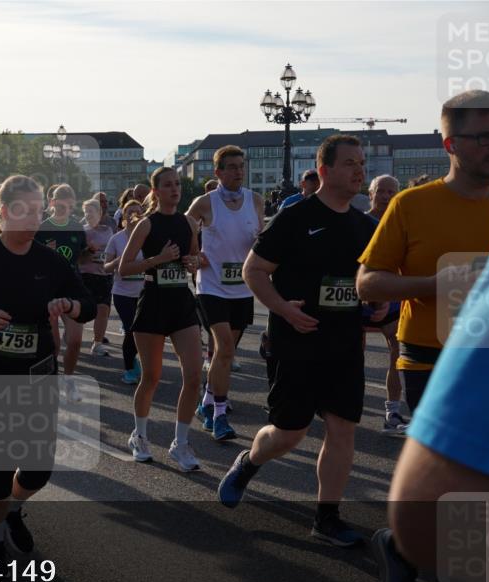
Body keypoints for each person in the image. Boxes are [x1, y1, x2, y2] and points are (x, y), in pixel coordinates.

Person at [360, 90, 489, 582]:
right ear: (450, 144)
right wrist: (433, 286)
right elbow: (369, 282)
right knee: (470, 502)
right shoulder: (413, 206)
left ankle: (401, 546)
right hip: (432, 363)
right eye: (486, 136)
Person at [217, 135, 378, 548]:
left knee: (343, 430)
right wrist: (284, 309)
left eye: (362, 163)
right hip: (296, 341)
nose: (359, 170)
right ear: (324, 170)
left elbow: (368, 284)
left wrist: (375, 305)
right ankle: (250, 461)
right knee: (291, 433)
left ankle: (326, 517)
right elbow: (255, 272)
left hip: (344, 343)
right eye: (349, 164)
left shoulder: (366, 227)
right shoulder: (294, 217)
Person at [0, 173, 94, 566]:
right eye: (27, 210)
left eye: (39, 211)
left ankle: (11, 509)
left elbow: (86, 303)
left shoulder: (48, 260)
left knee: (38, 468)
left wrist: (69, 306)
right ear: (5, 212)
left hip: (36, 368)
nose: (35, 219)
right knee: (0, 462)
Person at [118, 167, 203, 470]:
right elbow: (123, 268)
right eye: (167, 185)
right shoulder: (146, 225)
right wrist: (158, 260)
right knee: (151, 377)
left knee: (194, 375)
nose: (174, 189)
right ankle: (139, 436)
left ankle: (180, 444)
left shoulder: (190, 223)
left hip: (181, 301)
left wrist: (193, 263)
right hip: (153, 301)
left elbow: (195, 261)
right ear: (156, 191)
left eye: (177, 184)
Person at [185, 145, 263, 441]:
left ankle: (206, 402)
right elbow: (184, 230)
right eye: (231, 167)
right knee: (225, 348)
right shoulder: (205, 202)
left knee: (224, 354)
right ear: (218, 172)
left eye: (241, 166)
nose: (238, 172)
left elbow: (259, 238)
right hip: (212, 286)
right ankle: (219, 416)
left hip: (242, 288)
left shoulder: (255, 200)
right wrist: (195, 254)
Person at [362, 174, 409, 435]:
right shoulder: (359, 222)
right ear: (371, 194)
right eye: (381, 191)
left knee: (396, 351)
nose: (387, 196)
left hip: (391, 301)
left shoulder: (402, 223)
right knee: (354, 354)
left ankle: (392, 412)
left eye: (392, 191)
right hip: (362, 299)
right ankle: (347, 402)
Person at [34, 184, 90, 402]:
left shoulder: (77, 228)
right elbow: (32, 258)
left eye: (68, 200)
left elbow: (81, 258)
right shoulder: (42, 229)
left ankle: (68, 380)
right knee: (54, 344)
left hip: (72, 287)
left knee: (75, 340)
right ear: (52, 203)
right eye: (60, 199)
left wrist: (90, 254)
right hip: (47, 289)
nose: (64, 204)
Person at [103, 199, 145, 388]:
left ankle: (136, 361)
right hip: (122, 293)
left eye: (138, 211)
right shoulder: (117, 239)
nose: (134, 214)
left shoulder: (148, 238)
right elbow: (106, 268)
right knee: (131, 329)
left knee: (142, 331)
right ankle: (129, 369)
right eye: (130, 211)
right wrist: (121, 260)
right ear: (124, 216)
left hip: (144, 293)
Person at [79, 198, 114, 358]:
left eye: (91, 212)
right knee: (83, 311)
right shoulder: (82, 231)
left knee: (103, 310)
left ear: (100, 214)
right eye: (86, 212)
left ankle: (97, 344)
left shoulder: (108, 231)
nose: (88, 215)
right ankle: (73, 336)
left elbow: (112, 251)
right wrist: (89, 250)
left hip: (104, 274)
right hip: (86, 274)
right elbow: (78, 257)